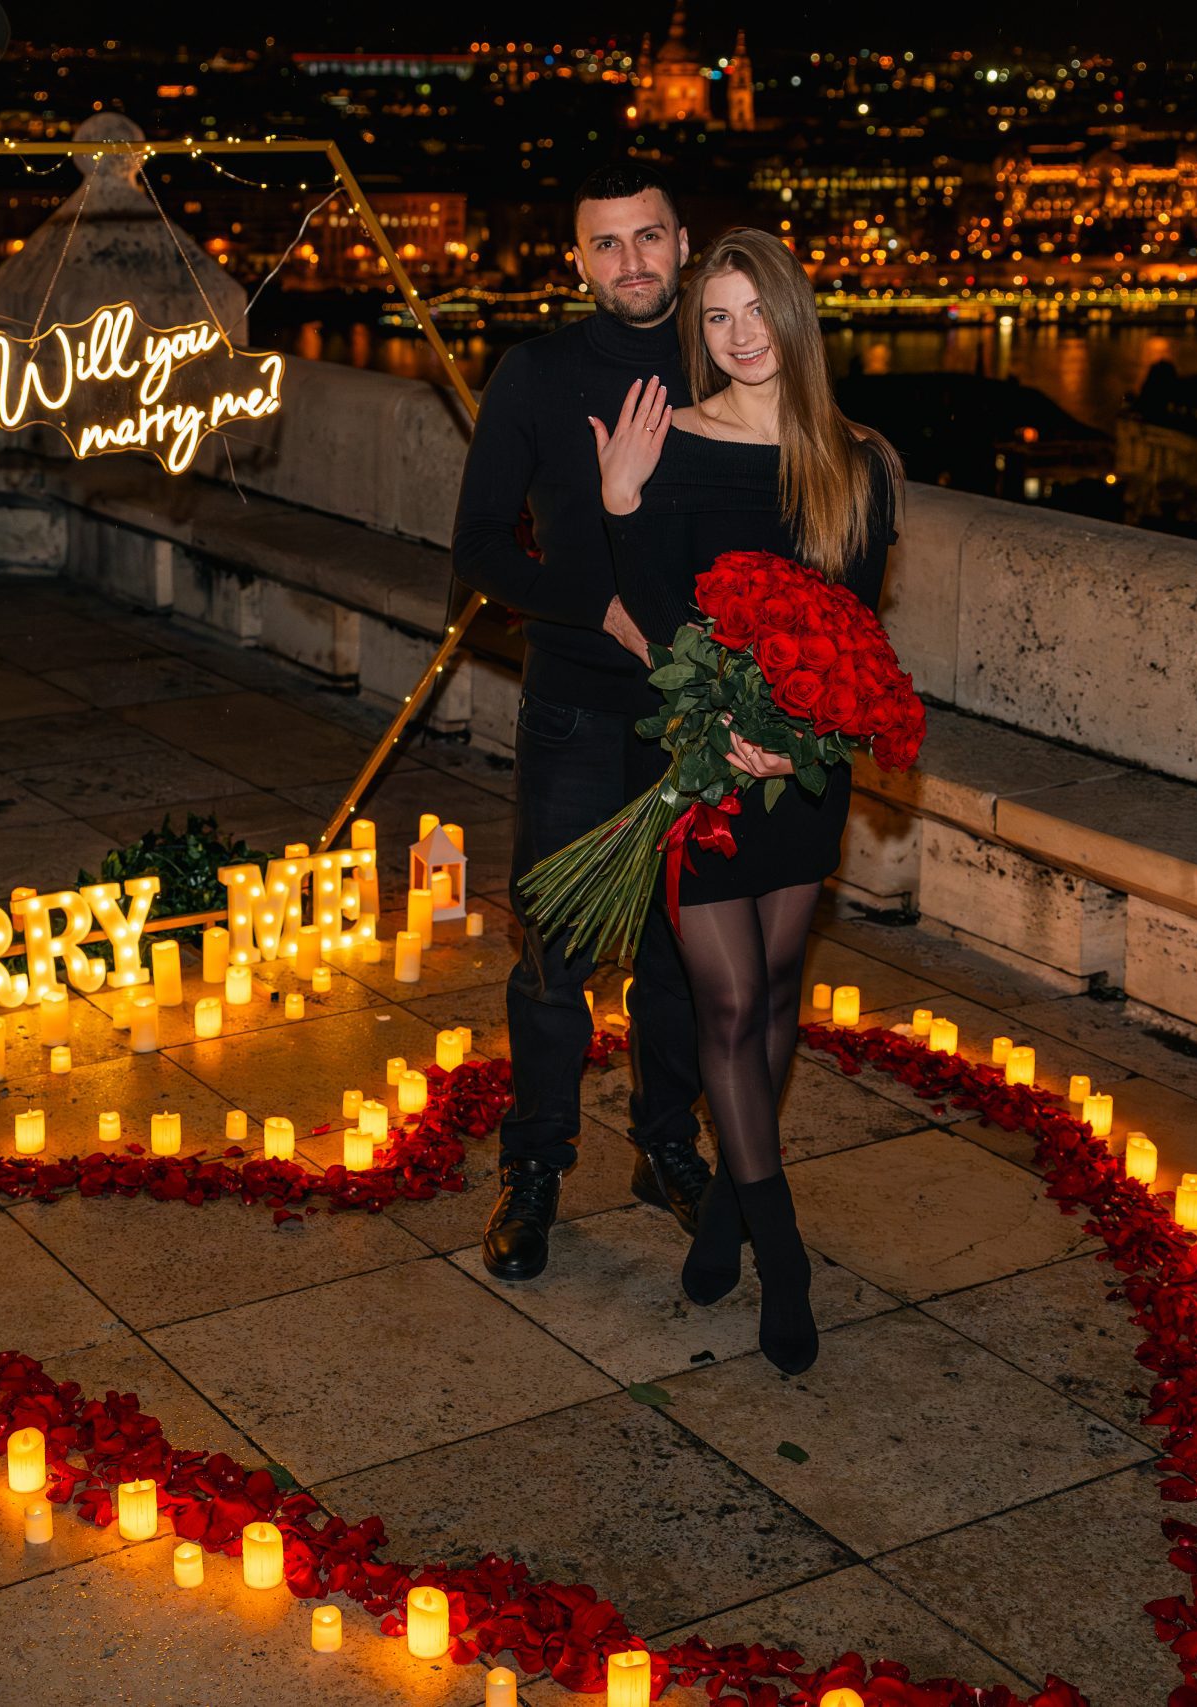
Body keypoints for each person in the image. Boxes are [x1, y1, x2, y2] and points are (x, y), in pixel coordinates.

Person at [591, 228, 902, 1374]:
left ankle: (725, 1207)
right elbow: (662, 616)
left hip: (803, 768)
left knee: (776, 995)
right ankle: (784, 1251)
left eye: (754, 310)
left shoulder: (854, 461)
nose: (737, 336)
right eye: (715, 316)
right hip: (699, 766)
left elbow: (855, 628)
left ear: (792, 316)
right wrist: (622, 503)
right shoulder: (668, 441)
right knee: (724, 1008)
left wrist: (797, 735)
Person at [450, 161, 712, 1280]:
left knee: (681, 959)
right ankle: (536, 1170)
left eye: (647, 239)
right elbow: (479, 550)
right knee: (555, 961)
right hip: (571, 709)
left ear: (684, 243)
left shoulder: (727, 361)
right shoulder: (537, 374)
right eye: (606, 246)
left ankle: (666, 1148)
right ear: (576, 261)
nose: (630, 265)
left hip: (694, 717)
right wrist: (598, 603)